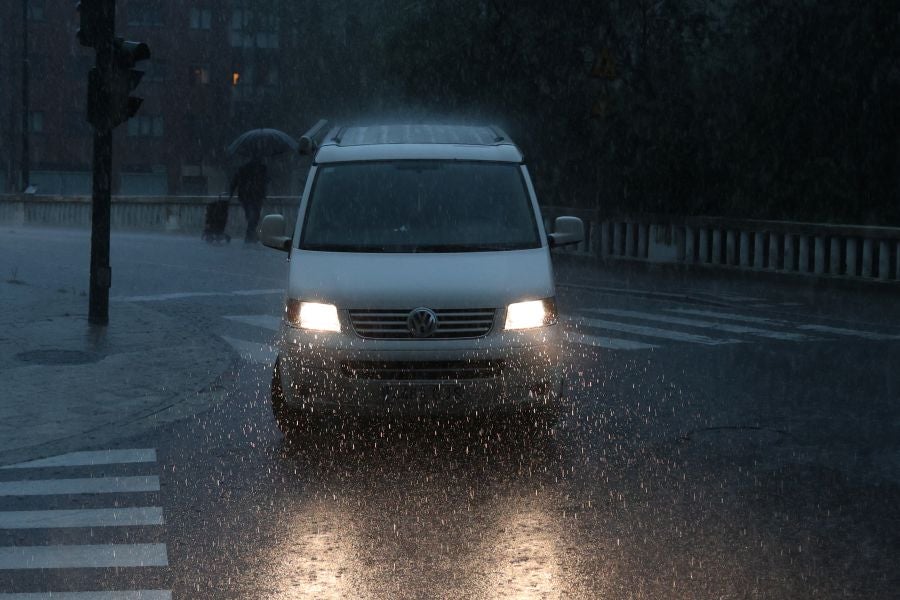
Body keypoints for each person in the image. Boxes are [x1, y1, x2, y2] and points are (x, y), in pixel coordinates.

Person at [229, 159, 268, 243]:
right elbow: (264, 182)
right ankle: (250, 235)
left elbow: (235, 181)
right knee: (254, 216)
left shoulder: (244, 169)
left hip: (247, 196)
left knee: (252, 216)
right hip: (253, 196)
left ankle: (251, 235)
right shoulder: (261, 169)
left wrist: (231, 192)